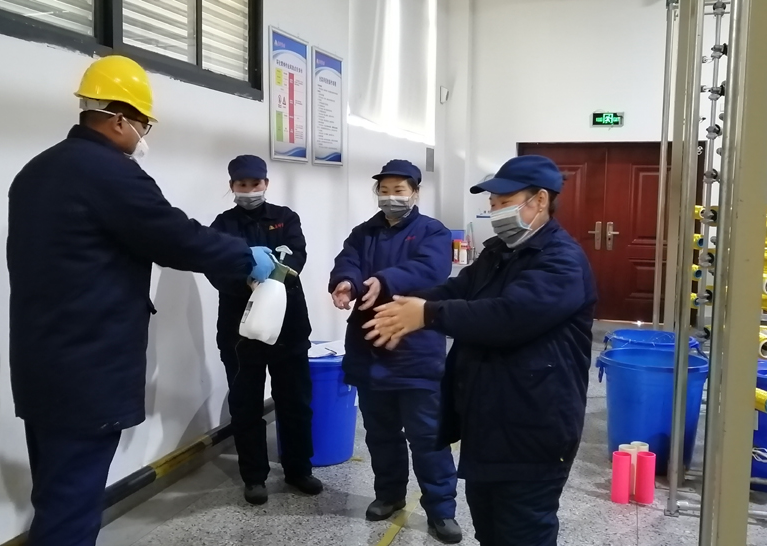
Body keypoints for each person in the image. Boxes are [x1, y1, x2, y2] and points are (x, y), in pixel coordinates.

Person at [6, 56, 277, 546]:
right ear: (118, 119)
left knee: (55, 493)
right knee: (74, 505)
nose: (143, 136)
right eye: (143, 124)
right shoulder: (110, 172)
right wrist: (245, 257)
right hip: (87, 367)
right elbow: (174, 237)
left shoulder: (35, 171)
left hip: (39, 362)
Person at [363, 155, 597, 546]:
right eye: (492, 203)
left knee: (523, 528)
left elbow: (508, 316)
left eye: (505, 202)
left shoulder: (561, 260)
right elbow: (458, 289)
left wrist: (428, 314)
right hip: (489, 418)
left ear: (540, 200)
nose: (495, 211)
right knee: (489, 524)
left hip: (535, 422)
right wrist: (404, 303)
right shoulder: (499, 252)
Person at [328, 160, 462, 544]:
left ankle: (441, 510)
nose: (391, 198)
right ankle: (388, 494)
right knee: (380, 433)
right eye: (384, 191)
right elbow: (348, 261)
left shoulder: (432, 232)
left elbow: (431, 270)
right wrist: (346, 282)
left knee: (427, 436)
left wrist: (383, 281)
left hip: (415, 349)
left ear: (415, 192)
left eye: (399, 190)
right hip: (369, 348)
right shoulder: (364, 232)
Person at [205, 154, 322, 505]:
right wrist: (244, 280)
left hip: (288, 327)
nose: (249, 190)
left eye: (255, 183)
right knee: (246, 406)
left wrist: (272, 277)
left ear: (266, 184)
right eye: (242, 184)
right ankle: (254, 477)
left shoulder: (286, 218)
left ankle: (298, 469)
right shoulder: (222, 225)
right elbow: (215, 266)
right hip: (240, 332)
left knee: (295, 402)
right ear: (232, 187)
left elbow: (297, 255)